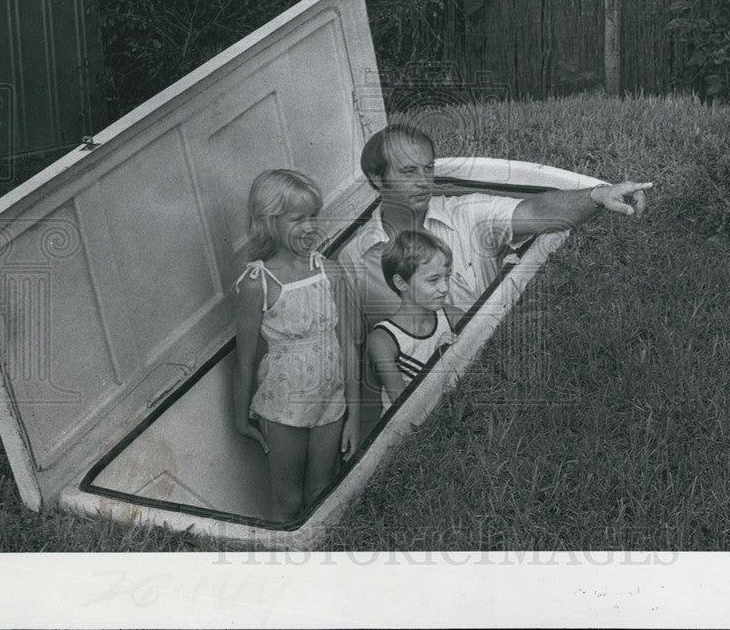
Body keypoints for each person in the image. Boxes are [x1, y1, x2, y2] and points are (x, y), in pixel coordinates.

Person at [338, 123, 652, 434]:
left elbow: (535, 210)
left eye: (428, 169)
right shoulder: (355, 257)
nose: (423, 182)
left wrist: (598, 196)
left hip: (488, 372)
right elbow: (353, 344)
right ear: (377, 179)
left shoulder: (467, 213)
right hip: (413, 397)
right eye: (408, 172)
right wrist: (354, 419)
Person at [233, 169, 359, 523]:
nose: (309, 226)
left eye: (314, 217)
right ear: (269, 222)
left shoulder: (330, 272)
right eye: (297, 219)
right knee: (287, 502)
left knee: (323, 493)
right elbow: (244, 361)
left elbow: (348, 344)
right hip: (284, 405)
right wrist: (241, 419)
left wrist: (354, 414)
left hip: (330, 403)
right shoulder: (258, 283)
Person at [368, 230, 464, 411]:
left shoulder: (453, 316)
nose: (444, 288)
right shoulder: (382, 340)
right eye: (433, 280)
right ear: (401, 283)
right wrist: (437, 363)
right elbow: (404, 411)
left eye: (447, 277)